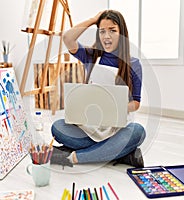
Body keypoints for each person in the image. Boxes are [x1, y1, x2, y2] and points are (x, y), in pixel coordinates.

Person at [50, 10, 146, 168]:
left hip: (116, 129)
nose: (106, 36)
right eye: (102, 31)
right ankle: (123, 154)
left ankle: (72, 157)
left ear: (122, 33)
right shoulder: (91, 56)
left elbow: (136, 103)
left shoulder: (133, 63)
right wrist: (94, 19)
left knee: (138, 131)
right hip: (89, 128)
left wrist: (112, 106)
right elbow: (67, 38)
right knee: (57, 127)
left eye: (112, 30)